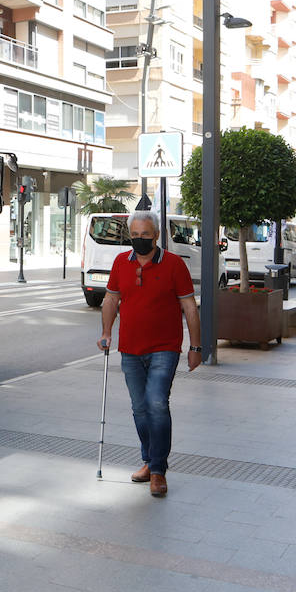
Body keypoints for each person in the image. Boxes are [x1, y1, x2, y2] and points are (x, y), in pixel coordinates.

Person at [96, 210, 201, 497]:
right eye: (135, 235)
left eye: (145, 235)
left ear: (156, 235)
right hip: (130, 348)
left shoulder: (174, 264)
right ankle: (148, 459)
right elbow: (111, 299)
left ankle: (157, 471)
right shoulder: (120, 262)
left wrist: (195, 347)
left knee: (156, 404)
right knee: (139, 408)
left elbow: (189, 306)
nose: (140, 240)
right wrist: (106, 333)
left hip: (164, 348)